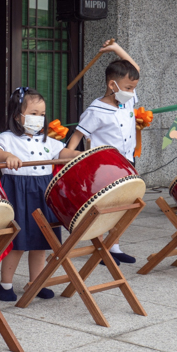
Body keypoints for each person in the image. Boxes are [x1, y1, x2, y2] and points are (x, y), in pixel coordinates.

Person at [0, 87, 80, 301]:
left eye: (42, 114)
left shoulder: (47, 141)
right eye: (33, 114)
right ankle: (5, 285)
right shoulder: (7, 138)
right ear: (17, 116)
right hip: (17, 192)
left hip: (43, 192)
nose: (39, 119)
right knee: (16, 240)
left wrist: (81, 154)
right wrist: (7, 156)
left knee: (41, 239)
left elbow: (63, 152)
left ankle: (36, 282)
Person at [66, 40, 141, 264]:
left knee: (125, 206)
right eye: (128, 88)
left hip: (127, 162)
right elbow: (78, 135)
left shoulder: (127, 101)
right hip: (104, 167)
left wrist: (115, 48)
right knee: (104, 208)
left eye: (133, 87)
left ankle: (114, 245)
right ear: (112, 85)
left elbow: (135, 68)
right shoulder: (95, 110)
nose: (132, 92)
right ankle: (101, 248)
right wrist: (67, 156)